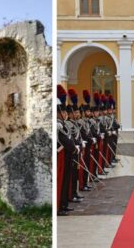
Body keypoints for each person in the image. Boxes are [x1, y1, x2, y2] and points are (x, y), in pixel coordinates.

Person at [57, 85, 79, 216]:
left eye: (66, 113)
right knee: (63, 181)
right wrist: (74, 148)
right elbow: (65, 139)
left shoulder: (64, 124)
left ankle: (64, 203)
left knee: (67, 180)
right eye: (64, 112)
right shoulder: (58, 125)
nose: (66, 114)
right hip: (63, 155)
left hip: (69, 154)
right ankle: (60, 205)